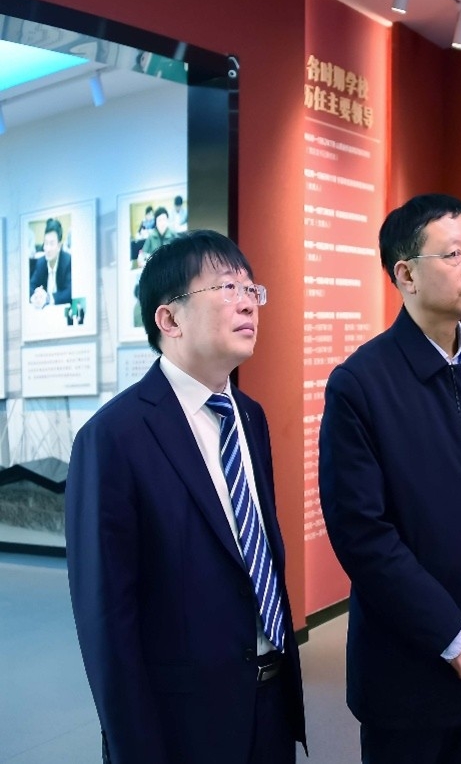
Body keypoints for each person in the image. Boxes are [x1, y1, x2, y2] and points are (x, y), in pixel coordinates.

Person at [319, 195, 461, 763]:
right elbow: (362, 533)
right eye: (453, 255)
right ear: (406, 274)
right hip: (409, 666)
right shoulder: (361, 384)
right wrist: (448, 632)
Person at [65, 230, 306, 763]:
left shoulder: (250, 417)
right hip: (184, 722)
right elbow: (107, 622)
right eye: (226, 287)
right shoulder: (113, 438)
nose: (248, 302)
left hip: (271, 702)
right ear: (169, 319)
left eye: (251, 288)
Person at [29, 217, 72, 308]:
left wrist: (49, 298)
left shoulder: (68, 261)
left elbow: (69, 292)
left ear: (59, 246)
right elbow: (30, 286)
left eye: (51, 244)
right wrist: (36, 295)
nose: (47, 249)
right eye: (46, 243)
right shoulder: (40, 263)